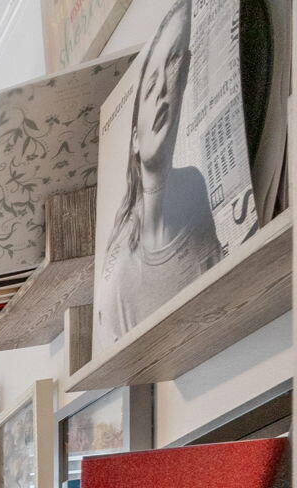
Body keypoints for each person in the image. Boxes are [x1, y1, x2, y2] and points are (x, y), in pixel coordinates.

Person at [96, 0, 223, 341]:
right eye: (150, 88)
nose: (165, 92)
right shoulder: (117, 264)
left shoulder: (197, 187)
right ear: (134, 139)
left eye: (174, 71)